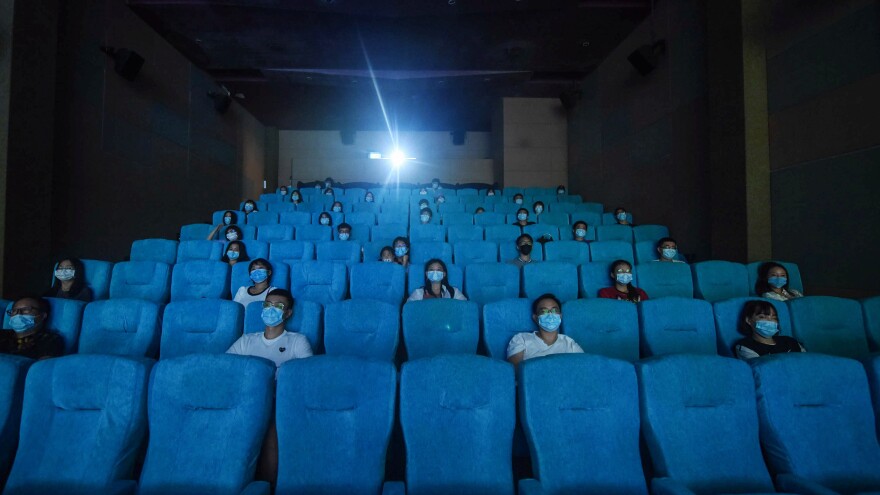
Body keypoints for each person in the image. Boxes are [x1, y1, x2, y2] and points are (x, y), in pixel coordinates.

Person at [226, 288, 312, 486]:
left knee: (273, 427)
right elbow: (227, 370)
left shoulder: (298, 341)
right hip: (244, 402)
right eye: (268, 305)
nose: (271, 309)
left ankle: (267, 486)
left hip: (279, 402)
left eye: (278, 306)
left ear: (288, 313)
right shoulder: (247, 340)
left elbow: (305, 379)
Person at [506, 293, 584, 367]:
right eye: (544, 311)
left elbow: (585, 368)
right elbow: (517, 372)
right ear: (535, 318)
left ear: (560, 316)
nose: (550, 314)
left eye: (554, 311)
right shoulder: (521, 339)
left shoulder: (570, 344)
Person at [734, 300, 805, 360]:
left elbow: (807, 363)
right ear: (748, 320)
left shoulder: (790, 341)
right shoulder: (745, 347)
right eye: (762, 317)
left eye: (774, 318)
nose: (770, 321)